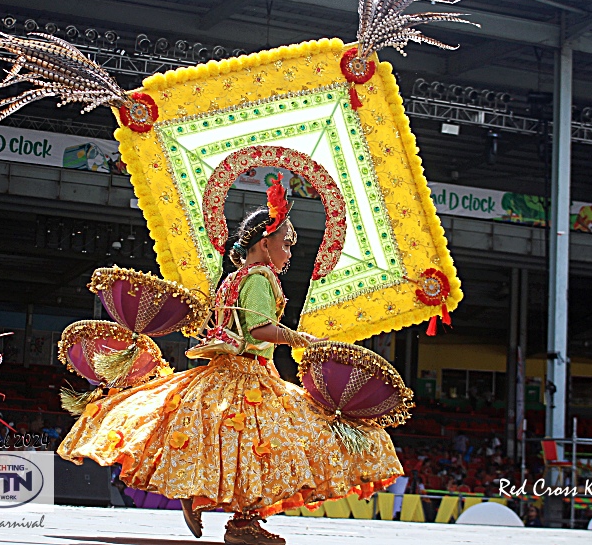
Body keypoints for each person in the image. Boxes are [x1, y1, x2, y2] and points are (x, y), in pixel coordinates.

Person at [57, 180, 403, 545]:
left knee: (237, 448)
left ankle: (209, 503)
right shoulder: (260, 277)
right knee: (269, 449)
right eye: (286, 243)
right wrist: (302, 339)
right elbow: (260, 328)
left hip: (221, 374)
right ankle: (241, 523)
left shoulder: (232, 278)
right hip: (248, 378)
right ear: (264, 242)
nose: (289, 252)